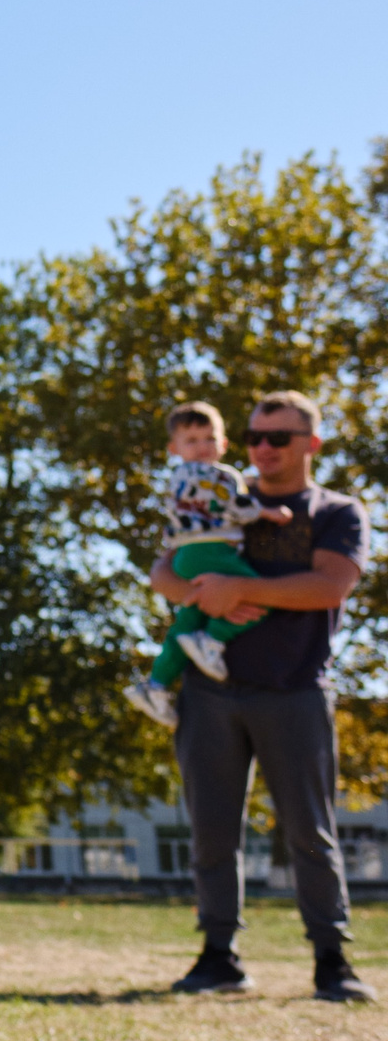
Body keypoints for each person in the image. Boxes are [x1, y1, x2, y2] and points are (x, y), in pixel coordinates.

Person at [152, 391, 375, 1003]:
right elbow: (164, 572)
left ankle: (332, 961)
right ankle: (218, 957)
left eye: (279, 437)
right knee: (211, 832)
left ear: (312, 444)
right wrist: (202, 596)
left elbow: (330, 586)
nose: (264, 448)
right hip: (209, 692)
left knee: (310, 832)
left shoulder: (336, 511)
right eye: (254, 437)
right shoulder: (218, 492)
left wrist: (238, 590)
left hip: (294, 690)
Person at [124, 402, 292, 728]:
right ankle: (213, 638)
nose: (202, 446)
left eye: (209, 438)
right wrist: (269, 512)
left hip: (187, 555)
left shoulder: (178, 478)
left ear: (223, 443)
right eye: (192, 440)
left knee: (185, 625)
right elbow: (232, 503)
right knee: (259, 596)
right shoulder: (217, 475)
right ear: (174, 448)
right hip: (213, 551)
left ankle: (156, 685)